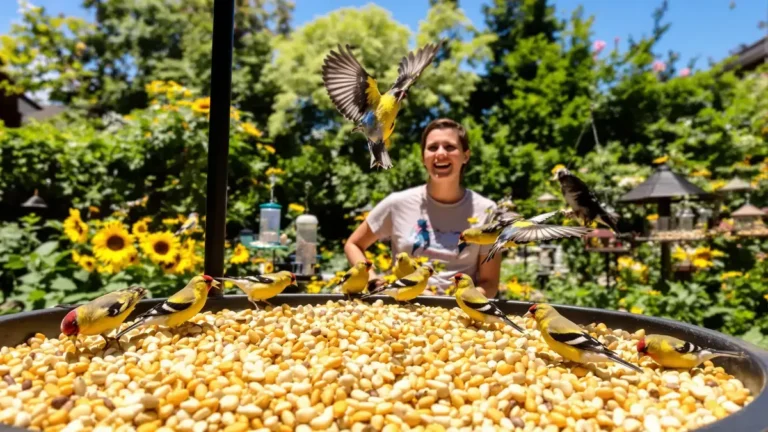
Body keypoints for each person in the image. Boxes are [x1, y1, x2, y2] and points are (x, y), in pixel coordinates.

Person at [344, 118, 502, 297]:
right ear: (423, 157)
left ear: (466, 155)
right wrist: (375, 283)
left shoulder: (486, 210)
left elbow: (489, 283)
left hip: (459, 315)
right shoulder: (397, 203)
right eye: (432, 147)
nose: (440, 154)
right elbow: (353, 244)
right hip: (405, 312)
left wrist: (455, 302)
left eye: (450, 147)